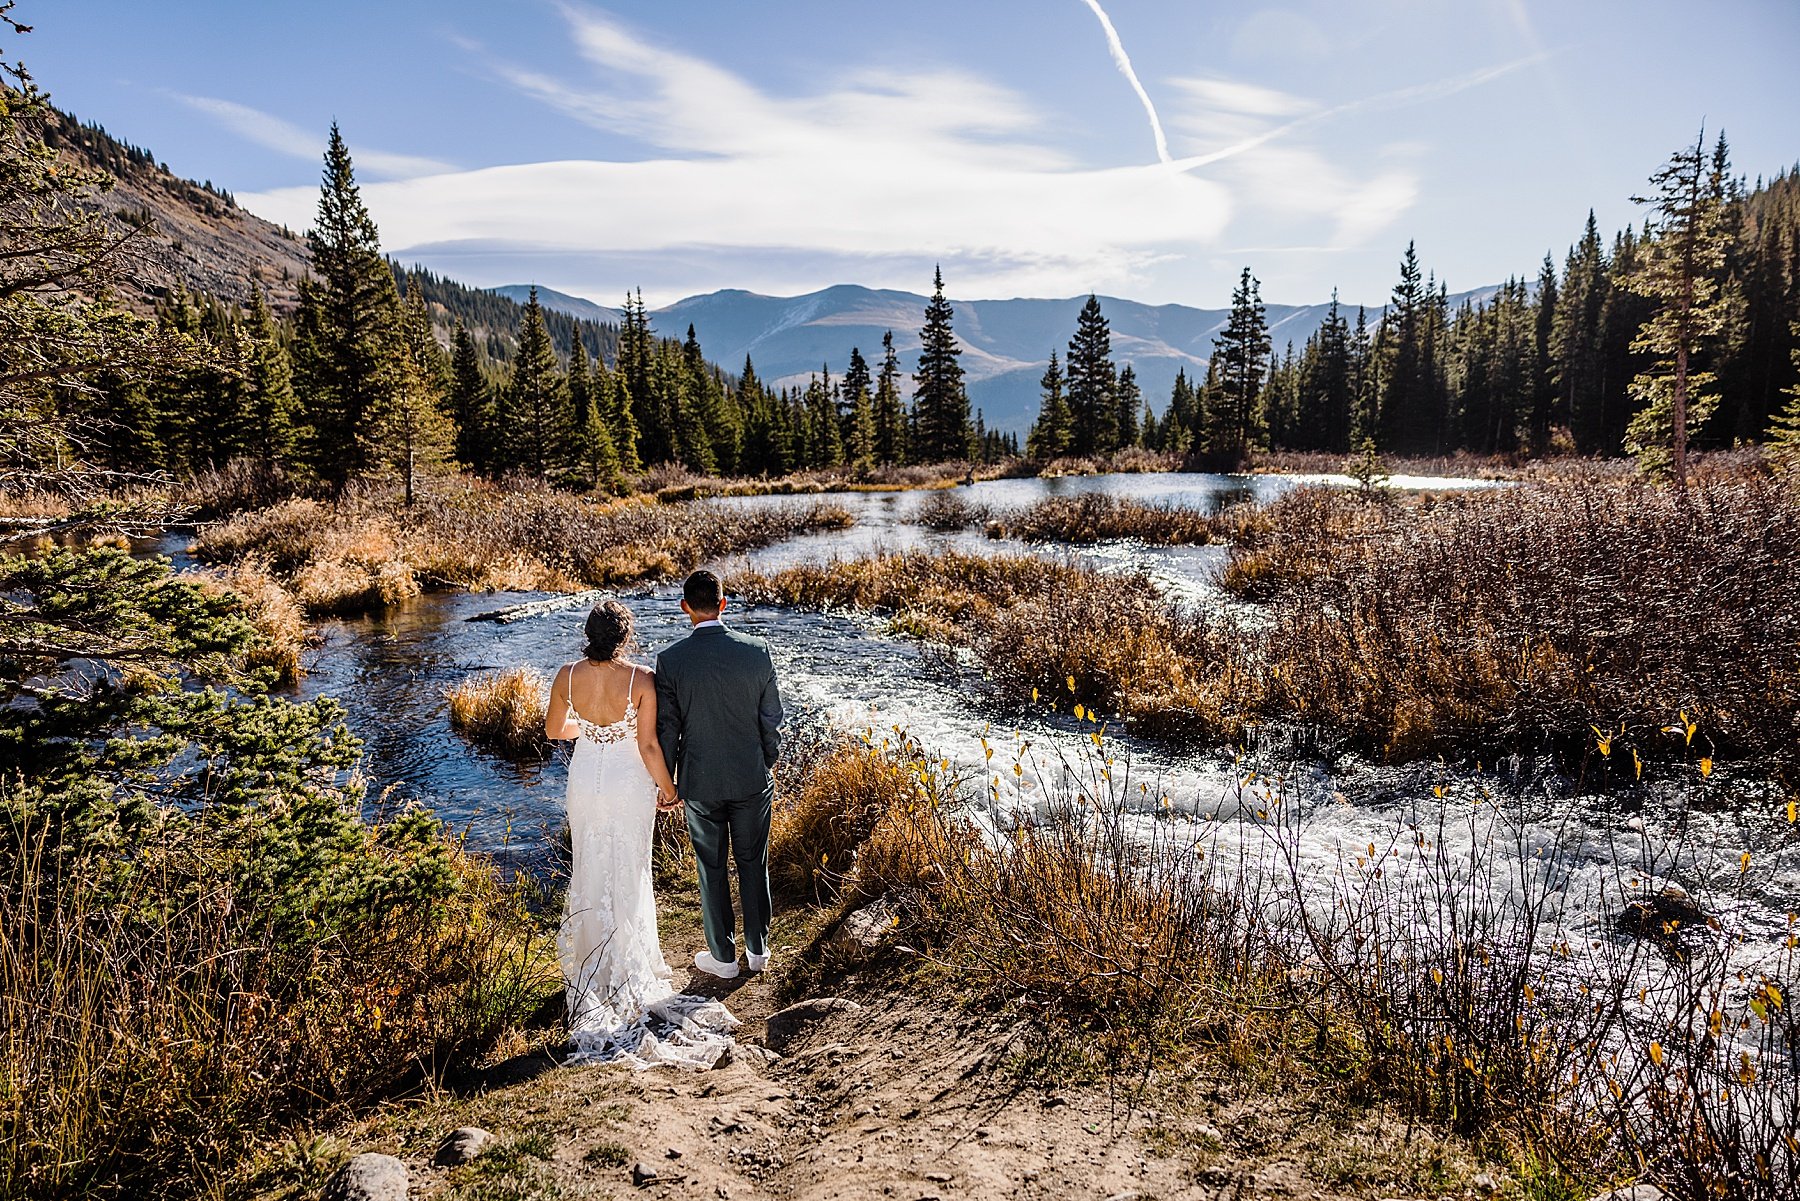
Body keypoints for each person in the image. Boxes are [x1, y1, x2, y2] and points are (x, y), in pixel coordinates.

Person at [545, 598, 737, 1068]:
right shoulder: (641, 679)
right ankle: (626, 961)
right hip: (629, 781)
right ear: (625, 637)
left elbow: (555, 729)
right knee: (630, 866)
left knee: (589, 862)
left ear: (588, 632)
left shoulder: (567, 675)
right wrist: (669, 790)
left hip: (586, 779)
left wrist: (590, 729)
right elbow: (649, 745)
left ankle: (593, 964)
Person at [655, 569, 784, 980]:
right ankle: (758, 950)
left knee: (710, 866)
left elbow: (667, 730)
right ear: (724, 604)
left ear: (685, 608)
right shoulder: (757, 651)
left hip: (700, 783)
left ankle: (723, 958)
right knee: (753, 860)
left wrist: (669, 783)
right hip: (751, 778)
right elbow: (772, 718)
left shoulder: (670, 661)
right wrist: (767, 759)